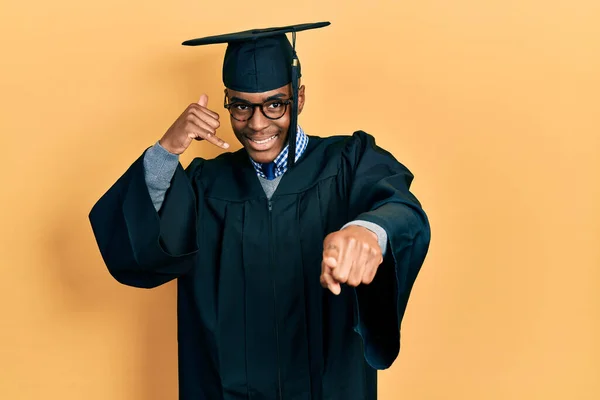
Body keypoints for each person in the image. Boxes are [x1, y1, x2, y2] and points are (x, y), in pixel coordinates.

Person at [89, 21, 431, 400]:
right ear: (227, 102)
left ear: (298, 98)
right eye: (240, 106)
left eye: (274, 104)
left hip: (326, 386)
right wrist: (165, 152)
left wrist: (369, 231)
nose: (256, 123)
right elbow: (138, 250)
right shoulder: (206, 184)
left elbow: (402, 209)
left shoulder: (347, 162)